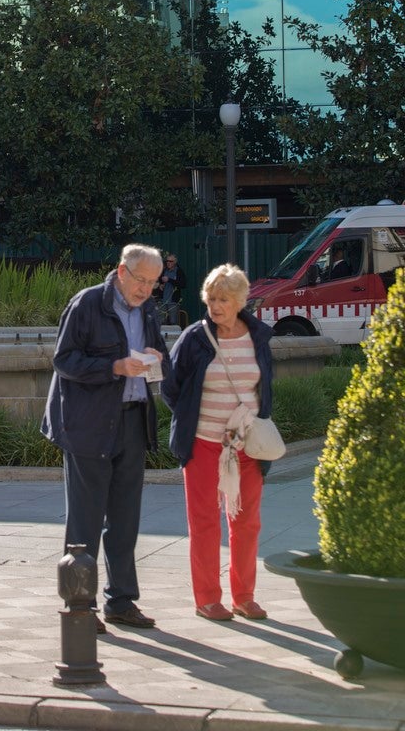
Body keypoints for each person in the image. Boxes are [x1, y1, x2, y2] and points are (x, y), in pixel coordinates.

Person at [41, 244, 169, 632]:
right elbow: (64, 360)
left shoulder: (147, 310)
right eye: (141, 280)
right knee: (85, 520)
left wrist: (156, 356)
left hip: (132, 421)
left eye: (153, 282)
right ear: (122, 271)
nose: (146, 289)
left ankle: (122, 602)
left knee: (126, 519)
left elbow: (160, 354)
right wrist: (113, 365)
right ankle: (79, 606)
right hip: (87, 425)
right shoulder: (87, 304)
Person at [161, 264, 274, 622]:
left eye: (224, 299)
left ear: (240, 300)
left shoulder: (258, 336)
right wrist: (192, 415)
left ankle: (244, 595)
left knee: (246, 521)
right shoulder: (194, 338)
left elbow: (264, 385)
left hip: (248, 443)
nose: (216, 306)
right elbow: (170, 384)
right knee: (205, 520)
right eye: (211, 299)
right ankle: (208, 598)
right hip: (204, 443)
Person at [158, 252, 186, 326]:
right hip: (163, 301)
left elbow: (183, 284)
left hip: (173, 302)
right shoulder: (164, 271)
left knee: (173, 322)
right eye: (167, 261)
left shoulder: (179, 271)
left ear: (175, 262)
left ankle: (174, 337)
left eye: (171, 261)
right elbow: (159, 281)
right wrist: (160, 285)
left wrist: (169, 280)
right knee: (161, 322)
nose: (168, 263)